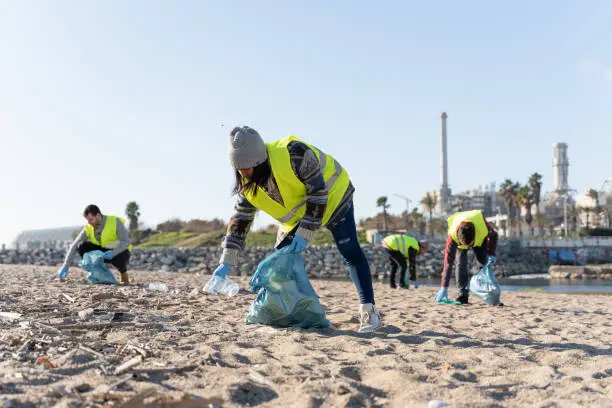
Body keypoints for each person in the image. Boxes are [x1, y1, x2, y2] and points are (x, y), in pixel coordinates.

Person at [206, 126, 382, 332]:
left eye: (248, 168)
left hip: (334, 196)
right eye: (238, 168)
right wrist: (226, 263)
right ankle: (288, 313)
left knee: (349, 251)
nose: (244, 173)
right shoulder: (248, 184)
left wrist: (305, 235)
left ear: (260, 161)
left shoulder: (295, 153)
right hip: (298, 217)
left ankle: (369, 312)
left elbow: (318, 195)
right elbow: (240, 220)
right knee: (281, 265)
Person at [57, 205, 132, 284]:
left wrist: (113, 253)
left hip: (118, 252)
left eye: (91, 219)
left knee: (120, 258)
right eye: (87, 220)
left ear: (98, 215)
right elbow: (74, 245)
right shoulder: (88, 227)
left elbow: (126, 242)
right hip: (102, 253)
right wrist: (66, 265)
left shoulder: (115, 222)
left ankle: (123, 273)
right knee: (82, 246)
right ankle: (97, 272)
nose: (89, 222)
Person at [435, 209, 498, 304]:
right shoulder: (452, 236)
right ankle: (463, 294)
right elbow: (448, 262)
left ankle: (486, 293)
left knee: (483, 263)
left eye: (470, 245)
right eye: (465, 245)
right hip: (462, 237)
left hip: (480, 239)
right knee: (460, 264)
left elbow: (494, 235)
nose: (469, 248)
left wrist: (491, 254)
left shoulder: (482, 227)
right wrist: (444, 287)